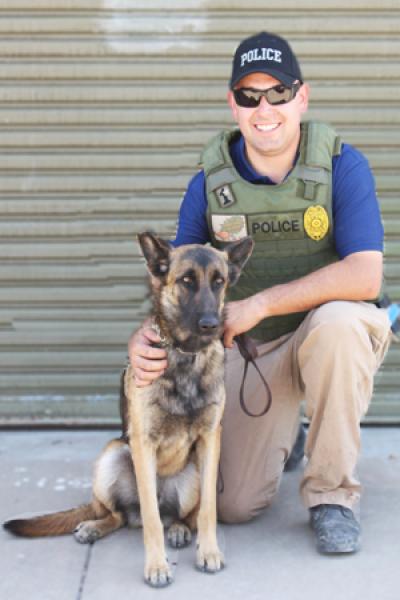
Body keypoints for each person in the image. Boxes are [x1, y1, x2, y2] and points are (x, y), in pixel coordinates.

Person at [128, 31, 392, 554]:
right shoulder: (210, 180)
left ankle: (332, 495)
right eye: (249, 96)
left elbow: (366, 276)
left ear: (302, 97)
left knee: (338, 326)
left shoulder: (342, 165)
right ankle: (287, 436)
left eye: (277, 93)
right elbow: (172, 280)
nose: (263, 108)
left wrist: (262, 303)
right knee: (231, 505)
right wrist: (143, 342)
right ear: (233, 104)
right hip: (253, 351)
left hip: (325, 334)